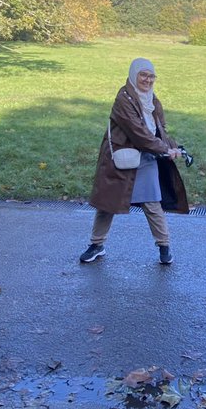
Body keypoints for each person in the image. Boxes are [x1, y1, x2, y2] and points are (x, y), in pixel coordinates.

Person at [80, 57, 188, 265]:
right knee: (107, 204)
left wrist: (172, 146)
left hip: (146, 156)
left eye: (151, 76)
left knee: (151, 202)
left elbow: (159, 130)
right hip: (121, 157)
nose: (148, 80)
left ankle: (164, 247)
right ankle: (96, 245)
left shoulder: (152, 100)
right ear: (133, 75)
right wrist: (164, 149)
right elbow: (138, 133)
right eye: (143, 75)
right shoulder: (123, 99)